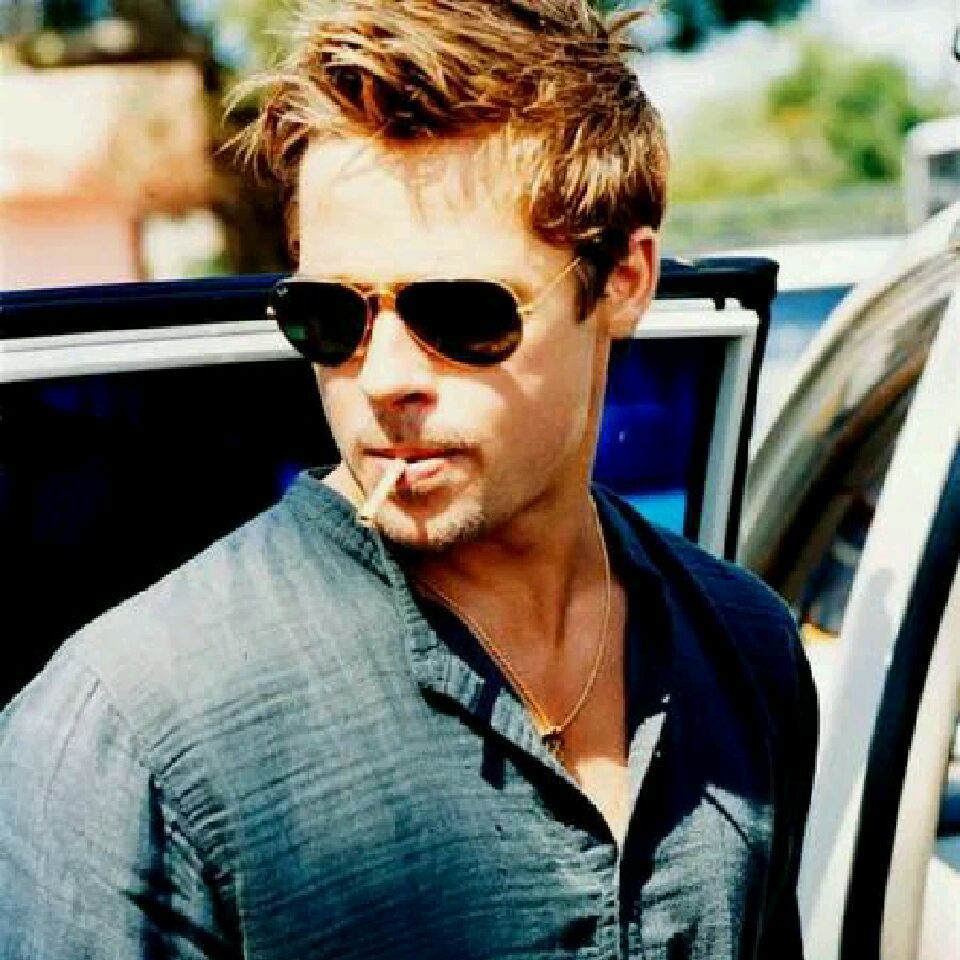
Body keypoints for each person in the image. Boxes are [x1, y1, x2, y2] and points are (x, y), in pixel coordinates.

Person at [0, 1, 818, 957]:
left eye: (462, 313)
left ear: (625, 280)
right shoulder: (135, 736)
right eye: (331, 316)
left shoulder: (744, 651)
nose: (384, 378)